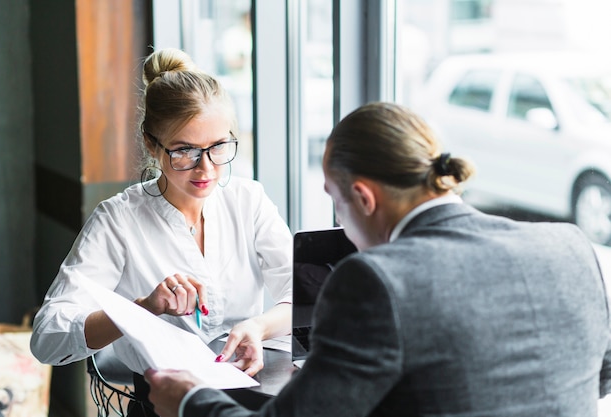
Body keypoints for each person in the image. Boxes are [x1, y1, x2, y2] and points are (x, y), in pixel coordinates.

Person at [144, 101, 611, 417]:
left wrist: (190, 401)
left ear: (363, 198)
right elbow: (598, 375)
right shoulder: (569, 246)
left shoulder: (375, 280)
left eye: (336, 202)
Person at [30, 47, 292, 383]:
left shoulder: (248, 200)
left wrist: (258, 326)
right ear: (152, 144)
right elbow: (47, 339)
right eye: (185, 151)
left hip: (247, 392)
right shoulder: (118, 220)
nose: (207, 168)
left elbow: (302, 296)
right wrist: (141, 310)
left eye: (219, 146)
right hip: (162, 402)